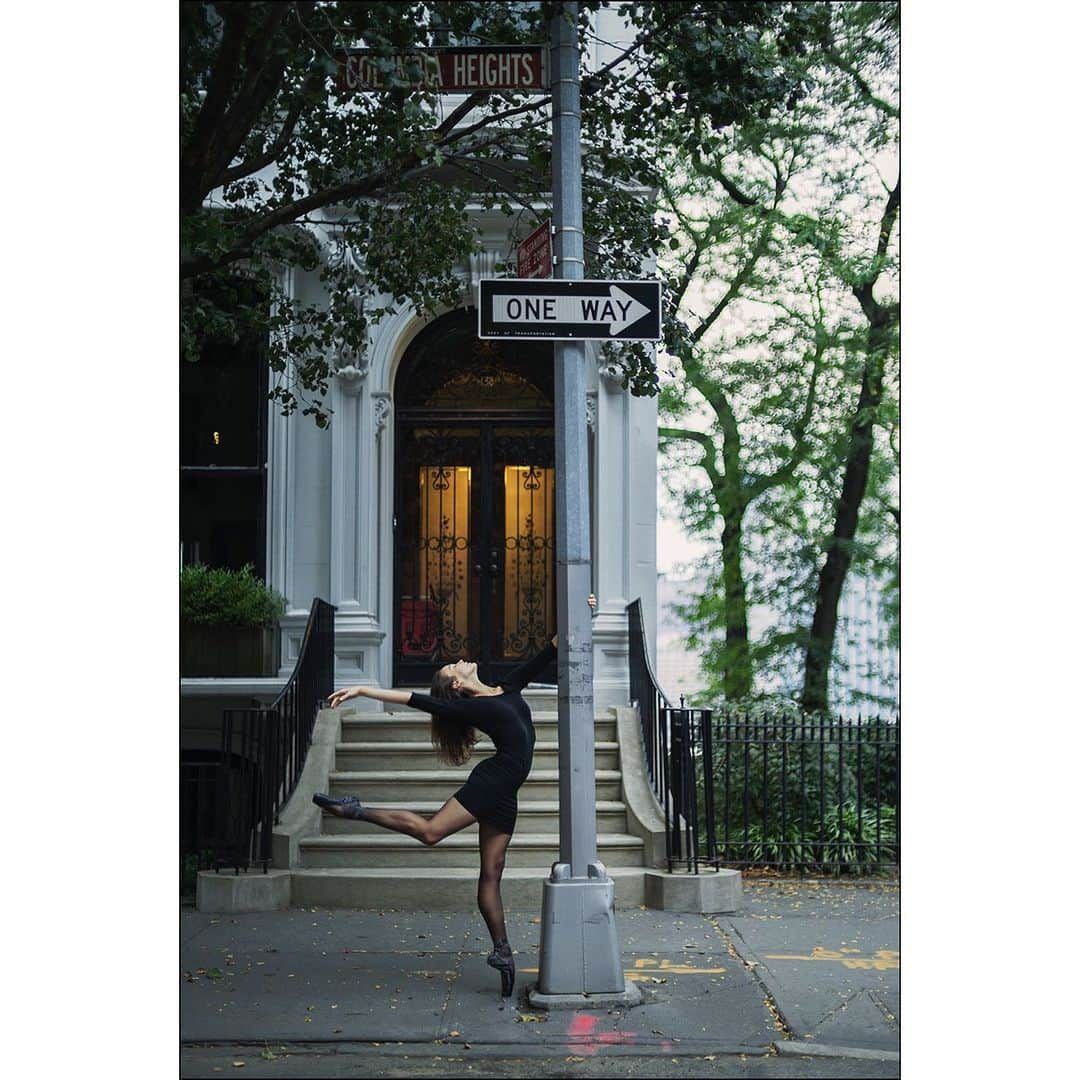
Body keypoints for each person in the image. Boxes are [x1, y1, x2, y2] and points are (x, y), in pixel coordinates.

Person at [314, 594, 597, 998]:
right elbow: (416, 700)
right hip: (492, 781)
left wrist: (583, 610)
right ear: (457, 684)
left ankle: (501, 952)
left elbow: (549, 649)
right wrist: (362, 689)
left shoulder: (508, 684)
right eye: (452, 666)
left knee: (492, 873)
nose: (459, 660)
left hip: (505, 791)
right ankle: (354, 810)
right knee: (431, 833)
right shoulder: (468, 708)